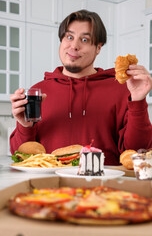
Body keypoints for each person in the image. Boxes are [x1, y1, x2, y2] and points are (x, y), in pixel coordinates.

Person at [10, 10, 152, 165]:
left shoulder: (121, 89)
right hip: (49, 186)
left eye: (84, 39)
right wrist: (25, 126)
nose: (74, 46)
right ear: (62, 41)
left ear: (98, 47)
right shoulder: (38, 92)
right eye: (69, 37)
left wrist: (138, 100)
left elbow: (138, 152)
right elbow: (21, 159)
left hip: (104, 186)